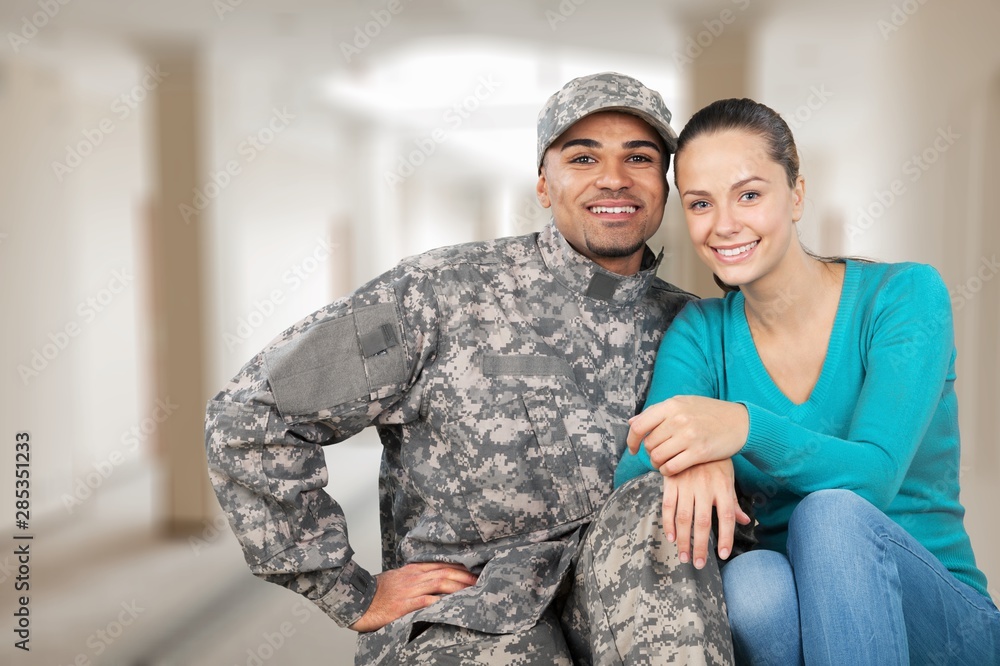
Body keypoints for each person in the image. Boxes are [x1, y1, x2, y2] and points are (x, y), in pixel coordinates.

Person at [205, 72, 748, 665]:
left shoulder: (697, 328)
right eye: (583, 156)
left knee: (658, 498)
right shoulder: (439, 293)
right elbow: (251, 414)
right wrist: (346, 590)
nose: (613, 178)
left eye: (638, 158)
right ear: (544, 183)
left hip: (634, 607)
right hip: (468, 613)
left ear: (664, 186)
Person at [616, 97, 1000, 665]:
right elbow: (636, 468)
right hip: (803, 623)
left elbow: (872, 476)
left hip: (945, 625)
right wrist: (701, 453)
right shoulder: (701, 333)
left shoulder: (903, 297)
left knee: (831, 515)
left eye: (749, 194)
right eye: (701, 203)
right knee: (753, 587)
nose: (725, 225)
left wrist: (740, 428)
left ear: (796, 195)